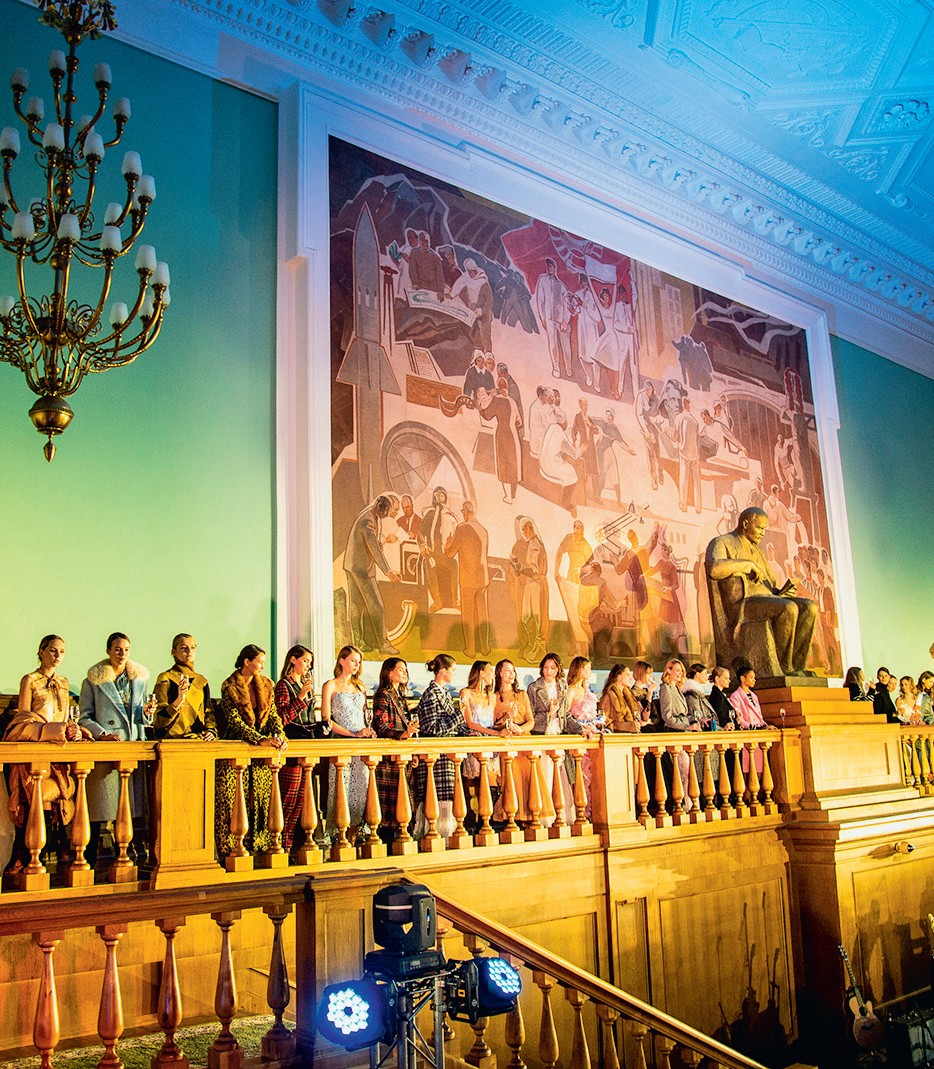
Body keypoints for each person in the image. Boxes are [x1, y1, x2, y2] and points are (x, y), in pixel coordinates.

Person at [4, 636, 92, 876]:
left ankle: (54, 857)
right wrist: (50, 730)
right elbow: (24, 716)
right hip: (36, 744)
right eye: (53, 650)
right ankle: (25, 858)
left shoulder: (63, 682)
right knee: (33, 800)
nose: (57, 656)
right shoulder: (30, 679)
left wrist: (73, 729)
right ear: (41, 652)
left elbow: (66, 716)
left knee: (59, 800)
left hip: (58, 748)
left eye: (62, 651)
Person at [705, 507, 817, 677]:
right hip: (743, 603)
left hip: (766, 599)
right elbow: (714, 568)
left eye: (764, 529)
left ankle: (797, 666)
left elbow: (768, 584)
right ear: (745, 524)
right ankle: (785, 668)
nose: (763, 533)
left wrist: (781, 593)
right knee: (788, 608)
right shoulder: (722, 542)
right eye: (759, 528)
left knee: (810, 608)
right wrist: (747, 564)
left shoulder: (757, 550)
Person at [79, 633, 152, 866]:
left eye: (126, 649)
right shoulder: (93, 680)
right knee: (100, 809)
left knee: (131, 810)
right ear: (108, 650)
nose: (122, 654)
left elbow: (141, 717)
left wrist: (147, 715)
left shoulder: (139, 680)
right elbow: (84, 716)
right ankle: (89, 863)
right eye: (118, 649)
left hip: (133, 750)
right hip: (107, 751)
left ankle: (130, 862)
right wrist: (102, 734)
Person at [215, 644, 285, 859]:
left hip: (262, 756)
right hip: (236, 751)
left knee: (262, 801)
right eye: (260, 662)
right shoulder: (229, 686)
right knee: (233, 801)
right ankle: (231, 851)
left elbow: (273, 715)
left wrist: (279, 736)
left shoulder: (266, 684)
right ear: (247, 662)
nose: (263, 666)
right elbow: (234, 721)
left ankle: (261, 849)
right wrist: (259, 739)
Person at [412, 654, 470, 839]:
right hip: (436, 759)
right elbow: (432, 729)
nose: (454, 673)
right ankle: (436, 836)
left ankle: (447, 836)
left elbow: (452, 725)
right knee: (437, 800)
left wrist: (468, 731)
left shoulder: (444, 693)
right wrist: (459, 716)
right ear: (443, 671)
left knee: (449, 799)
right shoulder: (431, 694)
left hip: (447, 757)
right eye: (453, 670)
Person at [321, 645, 374, 843]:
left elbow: (365, 715)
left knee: (362, 787)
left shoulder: (360, 687)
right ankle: (340, 836)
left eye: (359, 661)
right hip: (342, 742)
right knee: (342, 787)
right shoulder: (331, 685)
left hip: (362, 745)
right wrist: (352, 734)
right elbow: (326, 719)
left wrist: (367, 731)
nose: (356, 664)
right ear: (342, 660)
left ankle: (355, 835)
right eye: (353, 660)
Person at [274, 645, 319, 856]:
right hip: (291, 745)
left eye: (310, 662)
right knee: (288, 800)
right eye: (305, 661)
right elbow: (282, 718)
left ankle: (290, 845)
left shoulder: (304, 686)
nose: (308, 666)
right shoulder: (284, 686)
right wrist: (300, 698)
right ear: (293, 660)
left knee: (301, 802)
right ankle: (279, 844)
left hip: (306, 744)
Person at [344, 495, 402, 654]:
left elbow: (372, 542)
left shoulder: (370, 514)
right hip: (361, 569)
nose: (385, 516)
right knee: (377, 606)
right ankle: (383, 645)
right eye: (384, 513)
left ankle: (357, 643)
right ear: (378, 506)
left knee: (356, 606)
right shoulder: (367, 521)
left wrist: (380, 542)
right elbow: (374, 549)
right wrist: (388, 572)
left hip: (352, 566)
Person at [371, 657, 418, 842]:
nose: (404, 673)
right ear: (389, 673)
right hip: (388, 760)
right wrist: (403, 735)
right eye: (400, 669)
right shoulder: (383, 695)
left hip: (403, 757)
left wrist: (412, 749)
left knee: (404, 802)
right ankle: (387, 843)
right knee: (390, 805)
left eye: (405, 670)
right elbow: (380, 726)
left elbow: (407, 727)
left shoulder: (400, 698)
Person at [444, 500, 491, 659]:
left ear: (465, 512)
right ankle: (485, 648)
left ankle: (470, 649)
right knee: (483, 615)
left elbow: (450, 553)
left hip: (468, 579)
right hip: (483, 578)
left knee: (468, 616)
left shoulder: (461, 528)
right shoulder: (484, 530)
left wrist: (447, 544)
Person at [153, 634, 215, 739]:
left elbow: (208, 713)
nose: (189, 651)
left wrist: (210, 730)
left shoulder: (201, 681)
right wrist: (178, 701)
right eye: (183, 648)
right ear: (173, 652)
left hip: (197, 739)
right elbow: (158, 720)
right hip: (171, 740)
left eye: (192, 647)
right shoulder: (166, 678)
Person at [534, 257, 571, 378]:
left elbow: (567, 305)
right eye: (548, 266)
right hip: (549, 318)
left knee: (566, 346)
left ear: (555, 268)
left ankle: (568, 367)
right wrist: (542, 317)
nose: (549, 268)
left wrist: (565, 321)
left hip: (561, 320)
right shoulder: (543, 280)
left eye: (551, 266)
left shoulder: (561, 286)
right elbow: (540, 300)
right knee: (553, 344)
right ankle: (556, 367)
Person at [527, 652, 567, 735]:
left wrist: (580, 729)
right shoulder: (534, 688)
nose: (548, 671)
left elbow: (566, 714)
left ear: (558, 669)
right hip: (539, 733)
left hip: (560, 732)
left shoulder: (563, 686)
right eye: (545, 667)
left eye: (552, 668)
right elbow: (530, 717)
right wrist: (549, 713)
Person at [599, 664, 641, 733]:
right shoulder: (609, 696)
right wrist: (626, 726)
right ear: (618, 676)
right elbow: (602, 722)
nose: (631, 678)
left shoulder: (629, 697)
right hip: (618, 737)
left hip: (632, 736)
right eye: (627, 675)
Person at [682, 664, 717, 729]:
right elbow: (695, 715)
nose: (707, 676)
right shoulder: (692, 694)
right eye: (705, 674)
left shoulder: (697, 693)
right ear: (698, 675)